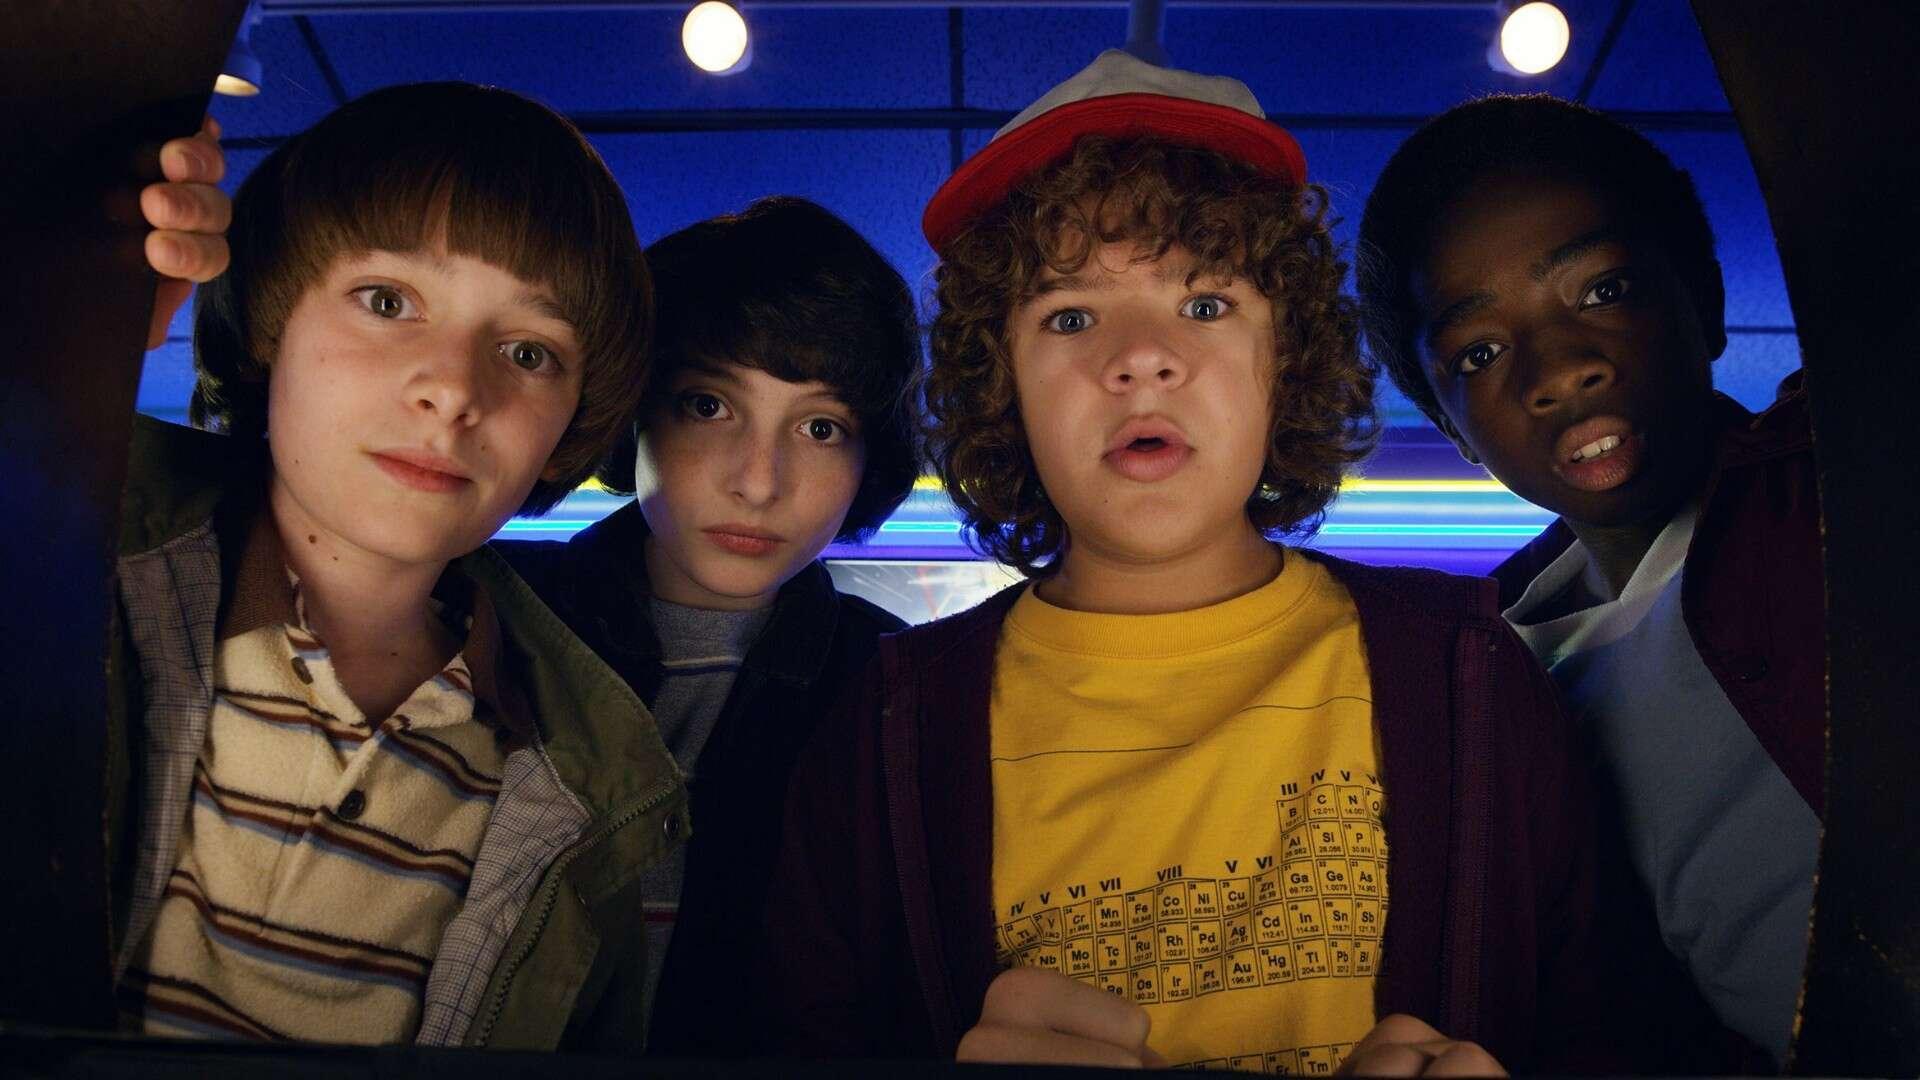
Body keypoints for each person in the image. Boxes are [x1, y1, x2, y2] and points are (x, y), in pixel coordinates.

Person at [765, 51, 1612, 1074]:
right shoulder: (880, 732)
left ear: (1284, 360)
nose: (1139, 357)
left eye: (1205, 304)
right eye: (1069, 316)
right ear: (1003, 388)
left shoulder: (1470, 673)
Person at [109, 81, 673, 1050]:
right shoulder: (80, 563)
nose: (454, 388)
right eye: (387, 301)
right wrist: (50, 362)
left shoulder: (591, 792)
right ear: (271, 318)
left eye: (529, 353)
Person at [1356, 93, 1822, 1069]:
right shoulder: (1484, 672)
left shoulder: (1830, 489)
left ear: (1703, 297)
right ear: (1451, 427)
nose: (1559, 370)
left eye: (1603, 290)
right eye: (1480, 353)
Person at [496, 196, 921, 1055]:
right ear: (635, 409)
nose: (759, 482)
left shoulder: (894, 693)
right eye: (707, 406)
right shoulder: (491, 618)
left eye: (821, 427)